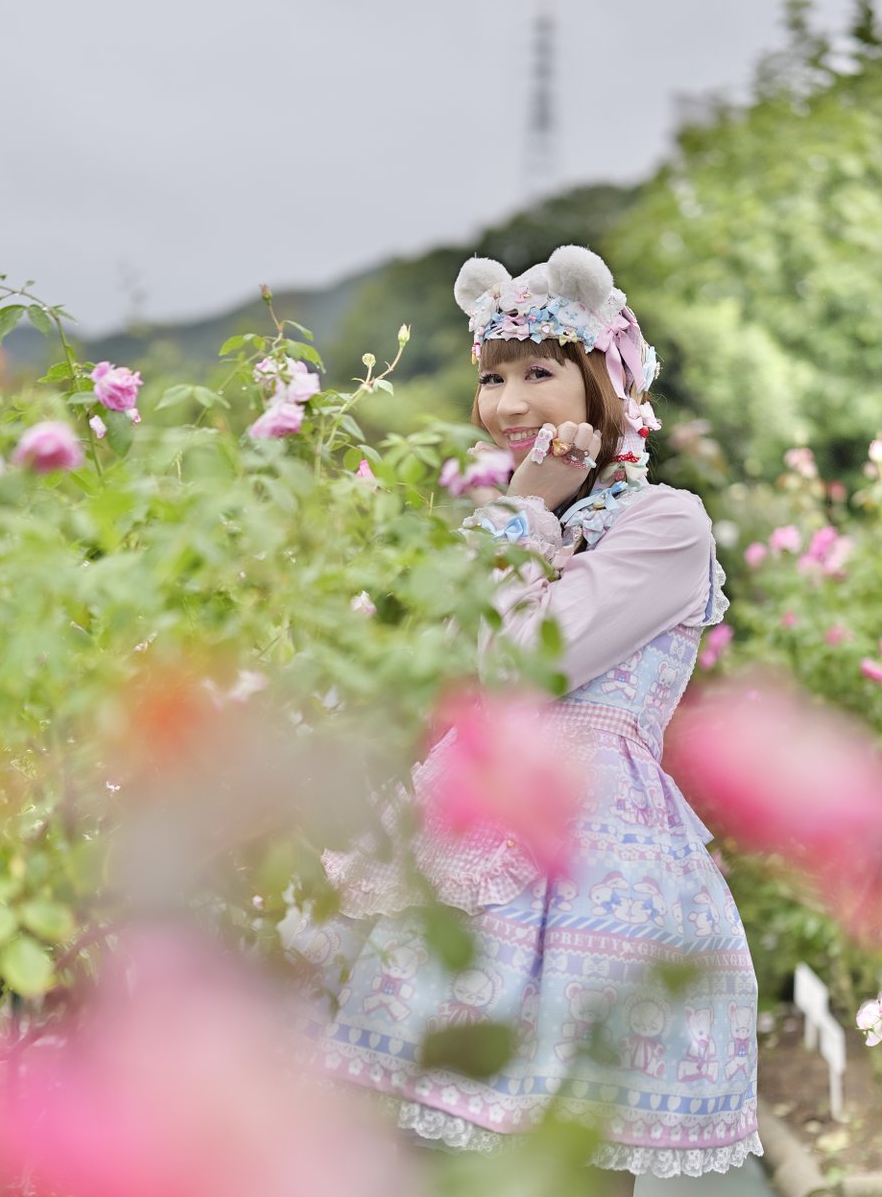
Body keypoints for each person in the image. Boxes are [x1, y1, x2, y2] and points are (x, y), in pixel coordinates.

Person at [289, 245, 762, 1190]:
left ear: (602, 384)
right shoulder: (503, 514)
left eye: (539, 373)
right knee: (412, 1133)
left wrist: (525, 516)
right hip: (464, 826)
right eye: (492, 378)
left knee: (564, 1148)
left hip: (594, 858)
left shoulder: (666, 524)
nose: (508, 404)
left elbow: (519, 666)